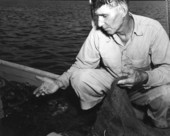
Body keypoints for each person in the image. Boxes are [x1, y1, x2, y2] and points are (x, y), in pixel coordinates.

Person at [34, 0, 170, 130]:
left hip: (142, 89)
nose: (99, 23)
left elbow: (168, 69)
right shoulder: (97, 33)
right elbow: (81, 65)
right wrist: (58, 83)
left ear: (123, 10)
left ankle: (155, 122)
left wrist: (143, 76)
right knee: (80, 77)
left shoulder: (153, 29)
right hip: (112, 86)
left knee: (167, 93)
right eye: (97, 16)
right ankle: (94, 114)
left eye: (104, 16)